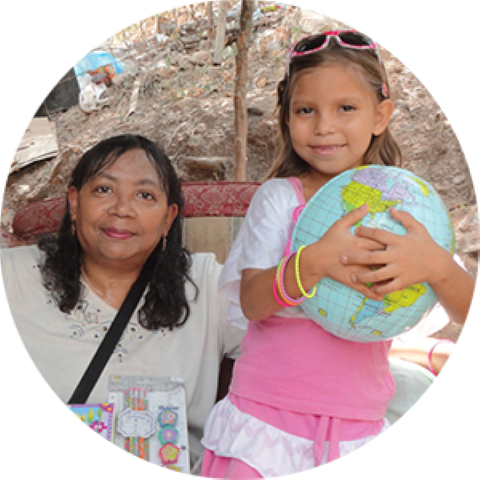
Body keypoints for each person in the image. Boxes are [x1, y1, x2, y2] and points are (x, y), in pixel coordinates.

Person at [200, 31, 476, 479]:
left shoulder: (405, 208)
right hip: (262, 421)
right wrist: (313, 262)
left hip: (357, 427)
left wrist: (438, 267)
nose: (324, 125)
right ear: (287, 120)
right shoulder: (279, 199)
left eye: (345, 108)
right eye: (305, 110)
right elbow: (251, 301)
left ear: (380, 115)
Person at [1, 134, 244, 469]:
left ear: (168, 218)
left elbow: (290, 345)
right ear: (74, 203)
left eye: (144, 195)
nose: (121, 209)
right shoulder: (14, 277)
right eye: (104, 189)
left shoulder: (206, 286)